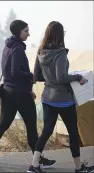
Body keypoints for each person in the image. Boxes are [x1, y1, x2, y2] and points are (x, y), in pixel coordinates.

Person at [0, 20, 56, 170]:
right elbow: (16, 72)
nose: (28, 33)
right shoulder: (18, 48)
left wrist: (27, 88)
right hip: (19, 95)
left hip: (8, 92)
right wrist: (32, 76)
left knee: (3, 125)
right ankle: (38, 160)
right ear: (19, 32)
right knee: (31, 127)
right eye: (26, 31)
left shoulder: (8, 46)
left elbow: (11, 74)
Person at [28, 21, 94, 173]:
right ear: (60, 34)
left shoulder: (41, 51)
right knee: (72, 132)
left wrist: (50, 78)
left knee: (46, 132)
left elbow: (37, 76)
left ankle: (34, 165)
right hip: (63, 99)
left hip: (47, 98)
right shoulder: (60, 53)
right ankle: (79, 167)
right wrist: (78, 77)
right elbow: (61, 77)